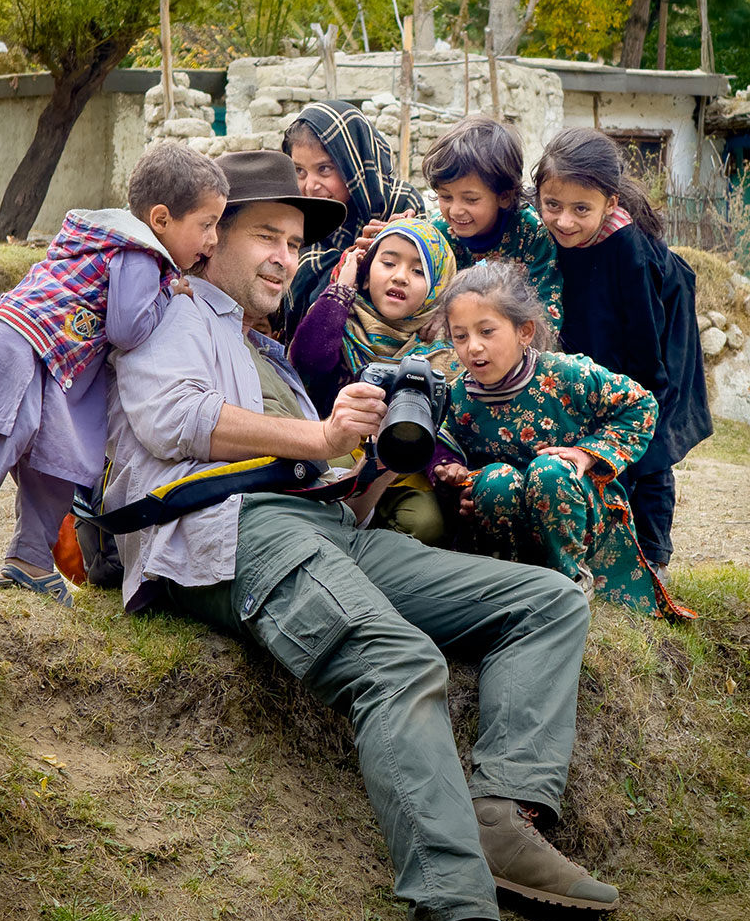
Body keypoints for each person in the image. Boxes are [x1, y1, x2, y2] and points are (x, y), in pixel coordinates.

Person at [105, 149, 619, 921]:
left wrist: (368, 459)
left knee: (543, 601)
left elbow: (316, 470)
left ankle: (504, 812)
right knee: (397, 661)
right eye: (263, 233)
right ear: (203, 236)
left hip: (323, 525)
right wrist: (316, 440)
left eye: (292, 241)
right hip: (225, 534)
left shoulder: (253, 336)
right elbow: (171, 421)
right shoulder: (167, 310)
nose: (281, 255)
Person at [0, 141, 228, 605]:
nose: (213, 239)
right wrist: (171, 295)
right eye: (206, 225)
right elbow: (127, 328)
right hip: (25, 344)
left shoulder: (105, 236)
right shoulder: (142, 253)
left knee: (57, 461)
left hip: (38, 349)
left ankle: (32, 559)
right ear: (160, 220)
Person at [430, 264, 692, 619]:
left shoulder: (568, 375)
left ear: (524, 332)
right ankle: (512, 586)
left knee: (550, 472)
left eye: (487, 331)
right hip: (507, 526)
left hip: (578, 513)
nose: (473, 347)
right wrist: (462, 482)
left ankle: (570, 583)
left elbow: (641, 405)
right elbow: (446, 448)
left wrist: (587, 456)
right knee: (494, 481)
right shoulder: (459, 398)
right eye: (460, 336)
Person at [533, 128, 713, 581]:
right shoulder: (549, 229)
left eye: (580, 209)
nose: (564, 221)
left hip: (654, 341)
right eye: (552, 205)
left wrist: (642, 404)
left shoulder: (629, 249)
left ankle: (653, 555)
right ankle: (601, 537)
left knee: (650, 443)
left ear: (610, 204)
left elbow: (644, 342)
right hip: (604, 330)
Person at [288, 219, 457, 544]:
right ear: (366, 274)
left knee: (425, 525)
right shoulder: (340, 321)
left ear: (437, 288)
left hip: (405, 472)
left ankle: (373, 558)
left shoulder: (444, 351)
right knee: (322, 488)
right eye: (388, 262)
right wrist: (344, 285)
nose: (399, 276)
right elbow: (308, 357)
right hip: (338, 450)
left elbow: (449, 427)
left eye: (419, 271)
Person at [281, 100, 425, 335]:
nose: (310, 186)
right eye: (299, 171)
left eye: (325, 169)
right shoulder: (298, 217)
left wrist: (391, 244)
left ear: (353, 164)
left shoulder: (402, 203)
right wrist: (349, 262)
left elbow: (427, 283)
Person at [423, 115, 563, 334]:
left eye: (470, 199)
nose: (455, 210)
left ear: (505, 196)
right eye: (445, 197)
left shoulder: (530, 233)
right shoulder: (436, 235)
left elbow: (545, 311)